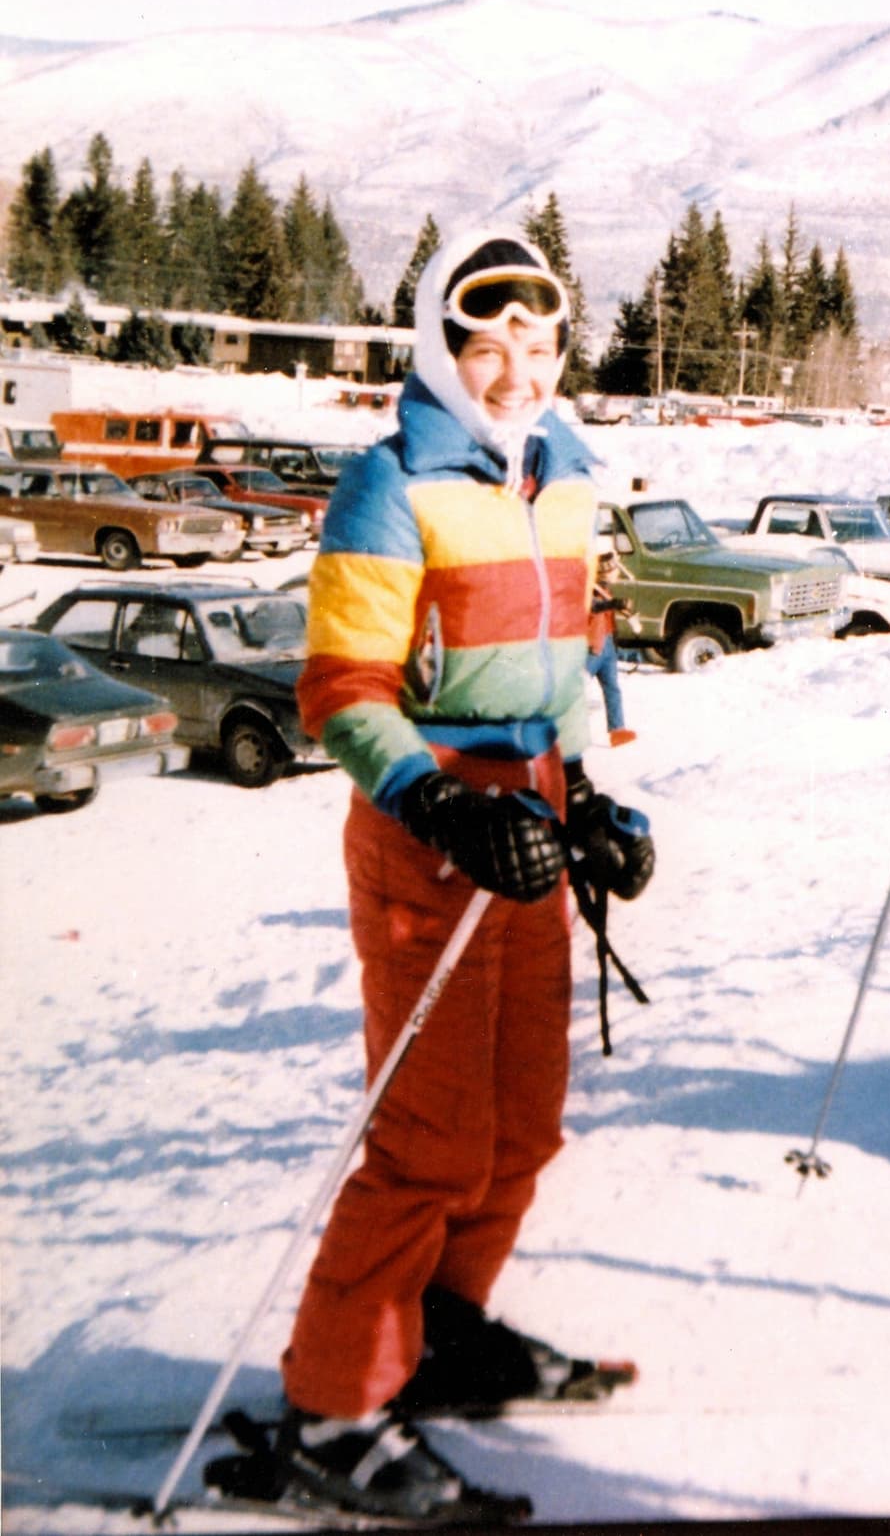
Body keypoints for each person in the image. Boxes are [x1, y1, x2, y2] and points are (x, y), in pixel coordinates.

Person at [274, 226, 656, 1520]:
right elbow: (343, 690)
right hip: (429, 831)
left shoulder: (566, 476)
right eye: (486, 344)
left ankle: (439, 1326)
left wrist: (591, 792)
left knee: (521, 1123)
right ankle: (333, 1410)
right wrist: (439, 797)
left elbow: (579, 655)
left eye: (538, 345)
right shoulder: (390, 481)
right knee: (431, 1140)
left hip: (533, 819)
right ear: (442, 344)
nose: (513, 371)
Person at [587, 548, 637, 746]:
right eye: (615, 569)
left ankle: (618, 730)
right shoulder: (591, 589)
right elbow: (592, 606)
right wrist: (613, 604)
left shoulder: (604, 589)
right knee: (577, 690)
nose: (617, 573)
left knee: (612, 688)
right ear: (605, 571)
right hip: (594, 647)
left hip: (606, 644)